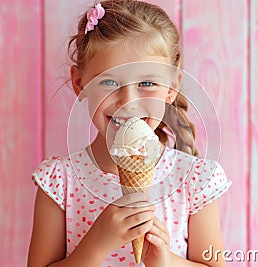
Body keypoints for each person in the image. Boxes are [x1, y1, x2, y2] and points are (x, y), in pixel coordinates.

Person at [28, 1, 231, 266]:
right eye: (109, 82)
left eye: (147, 83)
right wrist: (95, 246)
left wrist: (165, 260)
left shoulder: (194, 180)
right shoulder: (60, 182)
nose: (128, 100)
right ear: (80, 83)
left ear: (171, 87)